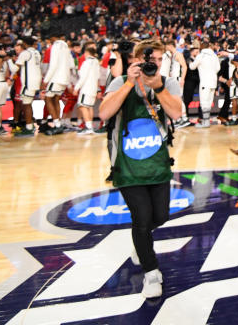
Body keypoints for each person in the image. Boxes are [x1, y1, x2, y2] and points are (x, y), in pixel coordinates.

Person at [98, 38, 183, 299]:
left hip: (157, 163)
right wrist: (128, 82)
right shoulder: (120, 81)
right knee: (142, 219)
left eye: (158, 60)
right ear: (136, 60)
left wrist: (156, 86)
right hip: (127, 166)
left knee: (161, 217)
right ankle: (151, 271)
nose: (154, 64)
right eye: (150, 60)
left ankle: (141, 243)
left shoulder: (166, 83)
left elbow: (176, 113)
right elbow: (104, 113)